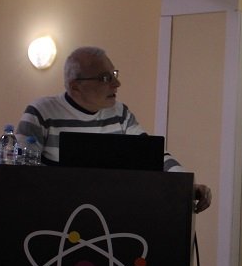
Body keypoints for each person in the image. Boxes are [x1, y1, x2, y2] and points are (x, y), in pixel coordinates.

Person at [17, 45, 212, 213]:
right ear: (75, 87)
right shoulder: (42, 112)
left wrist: (186, 183)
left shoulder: (120, 113)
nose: (117, 84)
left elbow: (151, 156)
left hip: (112, 214)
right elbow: (20, 170)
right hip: (55, 215)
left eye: (114, 75)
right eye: (105, 78)